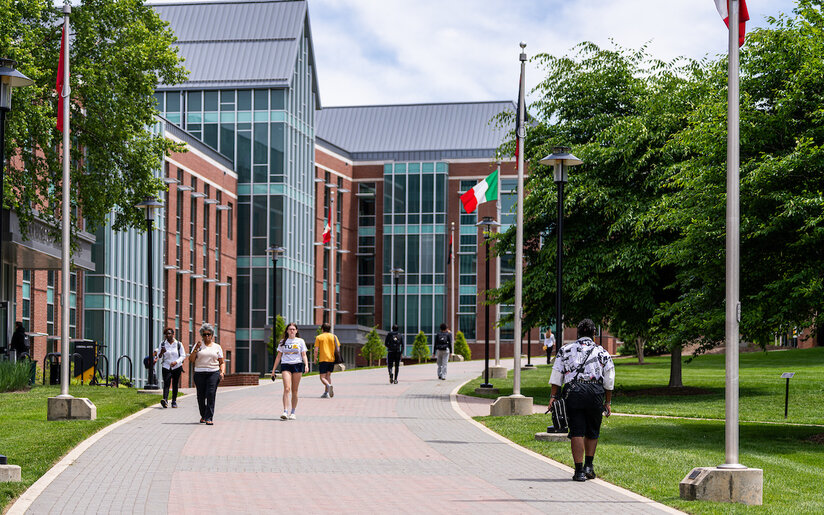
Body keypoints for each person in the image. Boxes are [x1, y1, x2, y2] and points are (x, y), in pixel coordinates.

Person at [548, 318, 614, 482]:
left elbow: (557, 375)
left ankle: (579, 472)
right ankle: (589, 466)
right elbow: (609, 380)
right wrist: (607, 402)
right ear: (594, 333)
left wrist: (553, 397)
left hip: (574, 392)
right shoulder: (602, 352)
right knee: (592, 430)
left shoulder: (565, 350)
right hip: (595, 392)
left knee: (577, 431)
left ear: (578, 333)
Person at [188, 323, 225, 425]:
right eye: (204, 334)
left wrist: (222, 372)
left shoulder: (217, 347)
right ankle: (203, 415)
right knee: (201, 396)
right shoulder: (198, 346)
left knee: (210, 394)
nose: (207, 336)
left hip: (213, 372)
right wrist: (196, 349)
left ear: (212, 335)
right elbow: (191, 360)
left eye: (209, 334)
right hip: (200, 373)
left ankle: (209, 417)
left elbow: (222, 362)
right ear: (202, 335)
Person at [272, 323, 309, 420]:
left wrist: (306, 365)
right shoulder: (283, 342)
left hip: (297, 365)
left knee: (295, 390)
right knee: (287, 388)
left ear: (296, 331)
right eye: (290, 329)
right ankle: (285, 411)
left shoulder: (300, 341)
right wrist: (273, 370)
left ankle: (293, 412)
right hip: (286, 365)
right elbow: (278, 356)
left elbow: (304, 354)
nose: (292, 331)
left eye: (293, 329)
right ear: (287, 331)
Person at [155, 328, 186, 408]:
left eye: (169, 334)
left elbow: (183, 355)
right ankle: (165, 400)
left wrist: (176, 362)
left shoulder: (178, 344)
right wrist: (162, 352)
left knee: (175, 384)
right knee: (166, 383)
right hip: (166, 366)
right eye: (166, 334)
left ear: (173, 334)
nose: (168, 335)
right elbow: (158, 356)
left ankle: (174, 401)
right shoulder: (162, 344)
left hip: (176, 367)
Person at [313, 322, 340, 398]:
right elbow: (338, 348)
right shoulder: (334, 336)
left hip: (323, 359)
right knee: (328, 376)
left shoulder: (319, 337)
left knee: (322, 377)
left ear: (322, 329)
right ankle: (326, 393)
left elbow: (316, 350)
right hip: (331, 359)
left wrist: (315, 359)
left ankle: (328, 386)